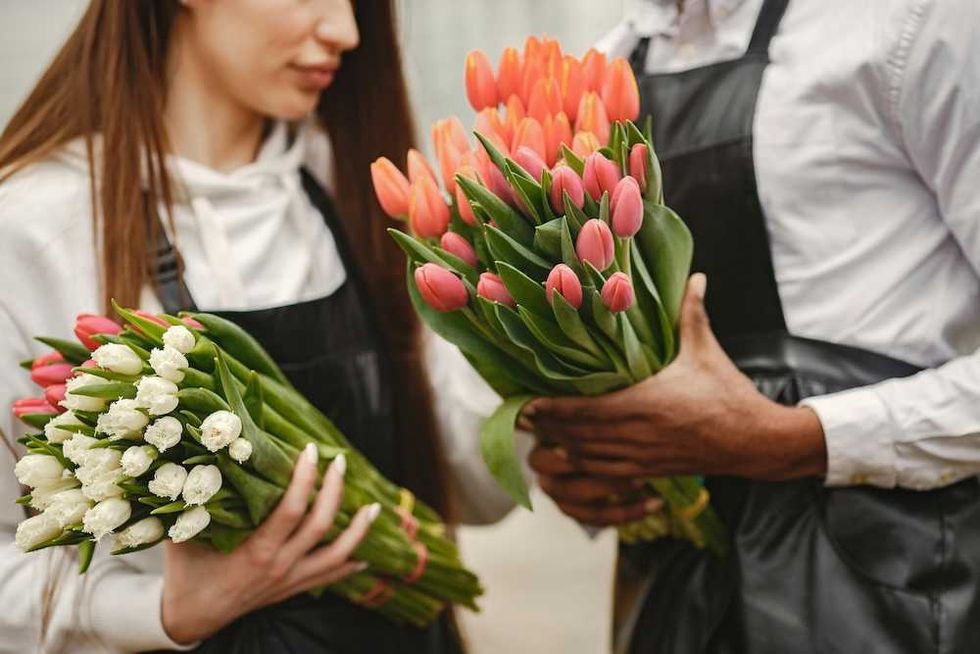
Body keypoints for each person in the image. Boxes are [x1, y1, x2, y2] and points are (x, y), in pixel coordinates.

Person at [0, 1, 508, 652]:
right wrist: (157, 609)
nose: (347, 32)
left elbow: (479, 489)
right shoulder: (34, 232)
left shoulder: (365, 186)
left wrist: (541, 358)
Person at [524, 0, 980, 652]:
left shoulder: (914, 21)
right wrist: (596, 465)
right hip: (680, 594)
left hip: (893, 588)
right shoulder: (609, 66)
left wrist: (798, 440)